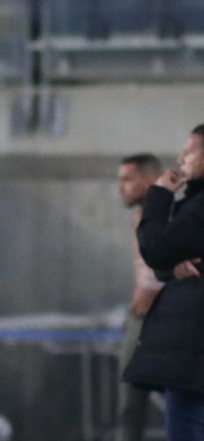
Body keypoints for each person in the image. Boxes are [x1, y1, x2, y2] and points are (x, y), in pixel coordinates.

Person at [124, 124, 204, 441]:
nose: (180, 158)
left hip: (192, 351)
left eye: (190, 151)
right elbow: (165, 262)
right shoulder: (188, 206)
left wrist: (158, 197)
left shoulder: (191, 208)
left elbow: (156, 250)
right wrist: (172, 268)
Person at [114, 154, 163, 441]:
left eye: (127, 180)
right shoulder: (138, 218)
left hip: (164, 319)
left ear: (148, 181)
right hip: (139, 317)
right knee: (129, 405)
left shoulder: (170, 216)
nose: (121, 187)